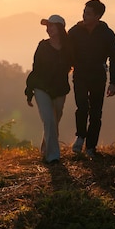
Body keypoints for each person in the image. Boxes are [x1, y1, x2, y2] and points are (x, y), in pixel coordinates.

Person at [68, 0, 115, 157]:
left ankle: (91, 147)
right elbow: (66, 53)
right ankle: (80, 137)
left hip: (98, 75)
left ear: (98, 16)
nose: (84, 15)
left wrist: (113, 83)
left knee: (96, 113)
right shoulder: (74, 32)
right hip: (80, 75)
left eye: (88, 13)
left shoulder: (107, 34)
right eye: (84, 12)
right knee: (82, 107)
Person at [25, 14, 73, 164]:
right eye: (47, 26)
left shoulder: (68, 48)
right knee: (49, 121)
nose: (48, 29)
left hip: (60, 90)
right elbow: (36, 68)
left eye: (51, 26)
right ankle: (53, 157)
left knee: (54, 121)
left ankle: (46, 148)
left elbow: (74, 63)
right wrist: (29, 90)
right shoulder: (43, 46)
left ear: (60, 28)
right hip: (41, 88)